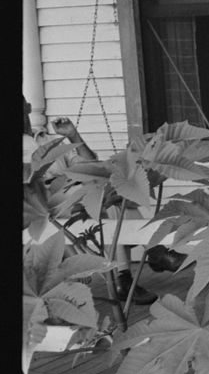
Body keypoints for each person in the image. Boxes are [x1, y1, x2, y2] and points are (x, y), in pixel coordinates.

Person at [22, 96, 156, 305]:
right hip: (44, 203)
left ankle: (126, 277)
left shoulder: (48, 141)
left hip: (79, 194)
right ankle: (147, 256)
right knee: (103, 196)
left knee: (111, 197)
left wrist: (73, 135)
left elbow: (91, 165)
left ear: (27, 108)